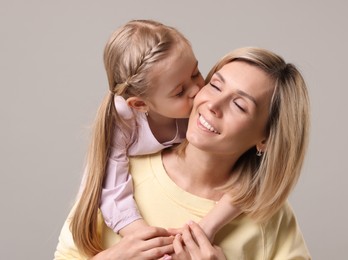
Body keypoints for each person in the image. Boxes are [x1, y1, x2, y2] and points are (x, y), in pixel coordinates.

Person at [55, 46, 311, 259]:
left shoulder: (269, 215)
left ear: (266, 138)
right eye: (215, 85)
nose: (213, 105)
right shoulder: (120, 178)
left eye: (239, 105)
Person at [70, 19, 243, 258]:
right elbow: (111, 190)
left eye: (196, 73)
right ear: (140, 104)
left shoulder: (201, 108)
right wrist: (143, 239)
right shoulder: (122, 121)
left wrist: (207, 226)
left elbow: (254, 172)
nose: (196, 90)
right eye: (180, 91)